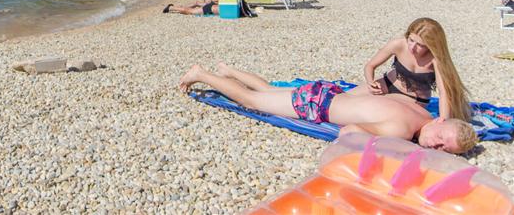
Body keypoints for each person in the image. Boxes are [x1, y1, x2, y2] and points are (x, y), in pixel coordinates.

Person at [178, 62, 477, 154]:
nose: (434, 147)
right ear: (441, 122)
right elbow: (350, 131)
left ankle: (228, 70)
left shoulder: (423, 113)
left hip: (327, 93)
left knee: (269, 90)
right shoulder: (401, 131)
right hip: (317, 104)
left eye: (442, 149)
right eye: (441, 141)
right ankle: (202, 75)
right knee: (253, 101)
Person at [349, 18, 471, 122]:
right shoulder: (398, 44)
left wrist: (443, 121)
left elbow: (444, 93)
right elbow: (370, 66)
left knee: (369, 108)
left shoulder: (435, 60)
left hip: (413, 99)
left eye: (420, 45)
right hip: (387, 83)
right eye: (411, 40)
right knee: (344, 99)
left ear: (431, 46)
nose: (412, 47)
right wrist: (370, 82)